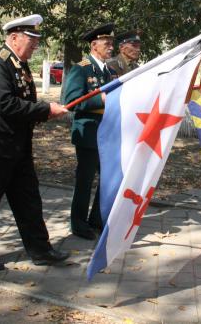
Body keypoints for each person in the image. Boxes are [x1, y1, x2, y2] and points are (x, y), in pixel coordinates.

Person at [0, 14, 69, 271]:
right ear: (13, 38)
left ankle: (40, 249)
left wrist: (41, 114)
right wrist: (45, 110)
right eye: (31, 41)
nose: (35, 46)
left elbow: (24, 103)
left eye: (36, 41)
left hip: (18, 146)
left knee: (29, 199)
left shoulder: (19, 64)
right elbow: (6, 104)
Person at [63, 23, 114, 240]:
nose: (111, 47)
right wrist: (99, 99)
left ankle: (97, 218)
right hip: (88, 134)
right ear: (94, 45)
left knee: (107, 180)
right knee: (85, 180)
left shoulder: (109, 71)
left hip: (106, 134)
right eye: (107, 43)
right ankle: (78, 223)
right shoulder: (81, 68)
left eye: (112, 43)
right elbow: (70, 101)